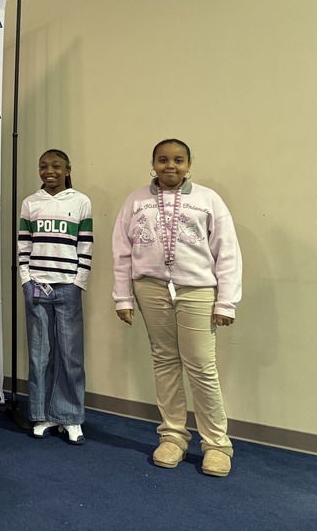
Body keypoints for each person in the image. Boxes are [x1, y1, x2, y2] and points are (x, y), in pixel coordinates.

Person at [112, 139, 241, 477]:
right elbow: (122, 252)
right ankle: (173, 436)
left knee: (201, 366)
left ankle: (216, 444)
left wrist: (226, 301)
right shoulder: (136, 201)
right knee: (165, 362)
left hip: (197, 290)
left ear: (189, 165)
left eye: (178, 160)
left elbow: (227, 251)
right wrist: (122, 297)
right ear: (153, 163)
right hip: (150, 288)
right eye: (163, 159)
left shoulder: (208, 199)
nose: (171, 165)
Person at [18, 149, 93, 444]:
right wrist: (26, 278)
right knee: (40, 355)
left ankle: (70, 416)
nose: (49, 171)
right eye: (44, 166)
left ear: (67, 169)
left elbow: (85, 245)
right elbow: (24, 244)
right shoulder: (30, 203)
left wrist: (78, 282)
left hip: (67, 287)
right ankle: (42, 415)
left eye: (56, 166)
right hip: (36, 286)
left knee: (70, 355)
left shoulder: (80, 201)